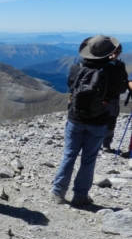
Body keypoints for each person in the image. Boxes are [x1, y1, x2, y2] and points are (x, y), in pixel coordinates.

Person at [51, 35, 128, 206]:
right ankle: (80, 196)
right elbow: (120, 89)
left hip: (75, 118)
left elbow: (72, 86)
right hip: (99, 120)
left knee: (69, 155)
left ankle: (57, 192)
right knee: (88, 159)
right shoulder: (114, 69)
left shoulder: (76, 67)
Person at [101, 46, 131, 153]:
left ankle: (106, 144)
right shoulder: (101, 63)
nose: (117, 53)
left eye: (118, 52)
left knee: (111, 120)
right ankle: (98, 142)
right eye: (116, 51)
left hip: (112, 97)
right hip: (101, 96)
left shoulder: (120, 65)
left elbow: (124, 79)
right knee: (100, 119)